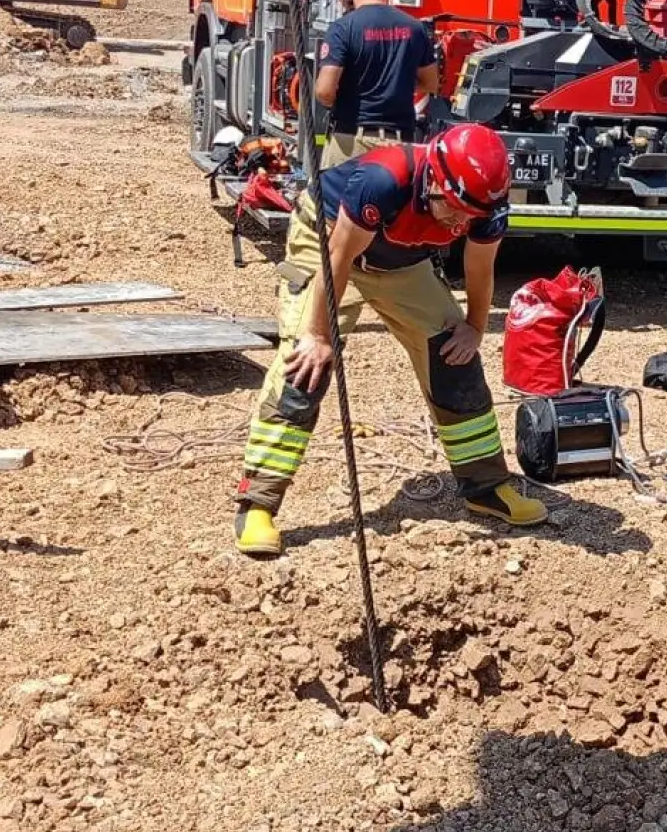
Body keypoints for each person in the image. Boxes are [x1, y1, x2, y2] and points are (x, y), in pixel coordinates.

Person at [234, 123, 548, 557]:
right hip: (327, 239)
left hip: (401, 260)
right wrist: (317, 334)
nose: (461, 222)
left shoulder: (484, 207)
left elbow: (480, 271)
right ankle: (258, 502)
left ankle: (486, 486)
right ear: (434, 179)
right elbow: (338, 260)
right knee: (306, 364)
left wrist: (474, 328)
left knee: (453, 354)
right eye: (454, 209)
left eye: (470, 217)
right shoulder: (383, 181)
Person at [314, 0, 441, 167]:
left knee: (338, 200)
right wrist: (395, 83)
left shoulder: (343, 29)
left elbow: (324, 91)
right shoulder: (414, 28)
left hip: (352, 141)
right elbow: (431, 84)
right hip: (401, 146)